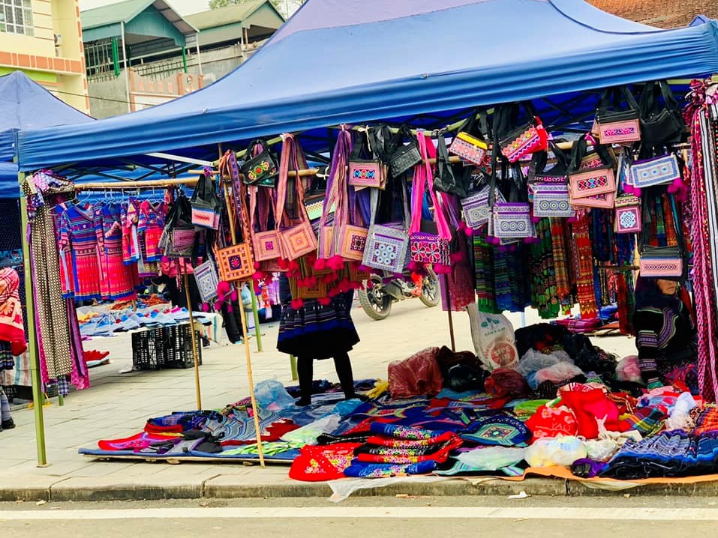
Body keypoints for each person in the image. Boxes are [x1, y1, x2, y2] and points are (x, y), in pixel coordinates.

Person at [277, 274, 362, 406]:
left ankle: (307, 397)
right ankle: (348, 393)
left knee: (310, 353)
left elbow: (284, 282)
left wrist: (287, 302)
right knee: (334, 351)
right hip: (322, 303)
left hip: (311, 305)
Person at [633, 277, 697, 389]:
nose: (671, 282)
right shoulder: (647, 314)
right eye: (664, 278)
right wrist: (653, 382)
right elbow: (646, 353)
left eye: (672, 277)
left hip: (690, 360)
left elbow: (694, 336)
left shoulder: (678, 305)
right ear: (651, 282)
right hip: (666, 370)